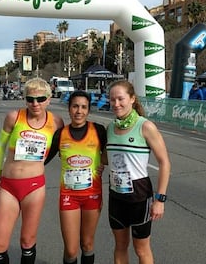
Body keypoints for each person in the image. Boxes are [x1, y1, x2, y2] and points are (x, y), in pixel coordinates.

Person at [0, 77, 64, 264]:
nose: (35, 103)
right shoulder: (14, 117)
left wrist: (42, 162)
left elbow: (60, 147)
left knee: (28, 240)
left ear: (49, 98)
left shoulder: (56, 122)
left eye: (40, 99)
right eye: (30, 99)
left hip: (34, 187)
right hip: (9, 186)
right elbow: (0, 148)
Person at [104, 80, 171, 264]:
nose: (116, 104)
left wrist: (160, 199)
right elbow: (103, 159)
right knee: (120, 246)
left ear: (132, 99)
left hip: (139, 195)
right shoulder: (110, 127)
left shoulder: (145, 126)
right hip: (116, 195)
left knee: (141, 249)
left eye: (120, 99)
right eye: (112, 100)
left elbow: (164, 163)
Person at [45, 90, 107, 264]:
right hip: (69, 196)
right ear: (69, 109)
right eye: (75, 106)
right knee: (71, 250)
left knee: (87, 244)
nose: (79, 111)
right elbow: (43, 160)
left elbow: (113, 152)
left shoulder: (99, 131)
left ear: (88, 110)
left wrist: (102, 161)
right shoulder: (60, 134)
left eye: (83, 107)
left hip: (92, 196)